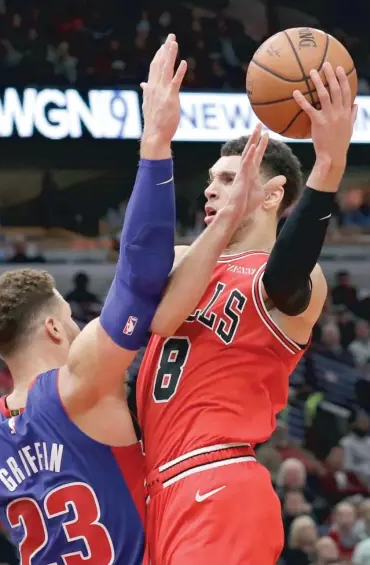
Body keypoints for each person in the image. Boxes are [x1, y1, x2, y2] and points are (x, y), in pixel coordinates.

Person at [0, 35, 270, 565]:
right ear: (55, 329)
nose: (81, 325)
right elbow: (139, 280)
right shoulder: (80, 382)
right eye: (71, 316)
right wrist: (155, 142)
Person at [137, 61, 358, 564]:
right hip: (154, 486)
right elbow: (143, 287)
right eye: (212, 178)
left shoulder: (293, 277)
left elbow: (285, 277)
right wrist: (155, 138)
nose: (213, 188)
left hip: (216, 478)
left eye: (231, 178)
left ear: (274, 194)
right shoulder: (180, 260)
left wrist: (328, 166)